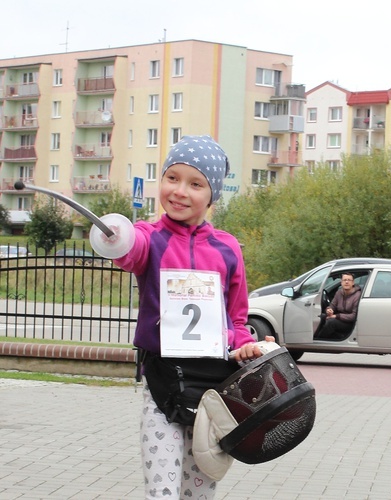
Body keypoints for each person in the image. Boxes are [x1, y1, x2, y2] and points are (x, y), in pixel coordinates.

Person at [100, 135, 269, 499]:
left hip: (214, 390)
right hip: (163, 385)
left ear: (212, 196)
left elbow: (237, 321)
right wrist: (118, 238)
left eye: (195, 184)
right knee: (162, 492)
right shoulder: (150, 237)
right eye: (171, 178)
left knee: (200, 491)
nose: (179, 191)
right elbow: (131, 251)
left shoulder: (228, 248)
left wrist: (247, 347)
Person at [317, 272, 361, 340]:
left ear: (353, 283)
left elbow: (354, 316)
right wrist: (329, 310)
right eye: (344, 280)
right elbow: (332, 305)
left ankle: (319, 340)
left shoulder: (357, 295)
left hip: (350, 323)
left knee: (331, 322)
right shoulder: (339, 293)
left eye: (349, 280)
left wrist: (336, 316)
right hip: (339, 318)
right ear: (341, 282)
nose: (346, 282)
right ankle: (313, 337)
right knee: (320, 317)